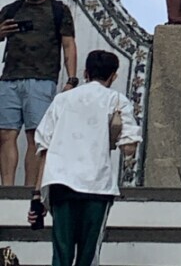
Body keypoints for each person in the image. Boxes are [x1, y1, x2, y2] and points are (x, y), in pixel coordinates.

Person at [30, 49, 141, 266]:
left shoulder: (62, 100)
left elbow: (44, 148)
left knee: (61, 255)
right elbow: (129, 148)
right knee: (88, 258)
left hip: (60, 182)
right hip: (96, 186)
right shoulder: (117, 101)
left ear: (85, 72)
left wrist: (37, 195)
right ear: (113, 76)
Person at [0, 0, 78, 186]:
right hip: (9, 79)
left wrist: (71, 79)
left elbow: (68, 45)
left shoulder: (58, 10)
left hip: (42, 80)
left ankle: (29, 189)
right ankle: (7, 188)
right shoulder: (11, 10)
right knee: (5, 135)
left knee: (35, 137)